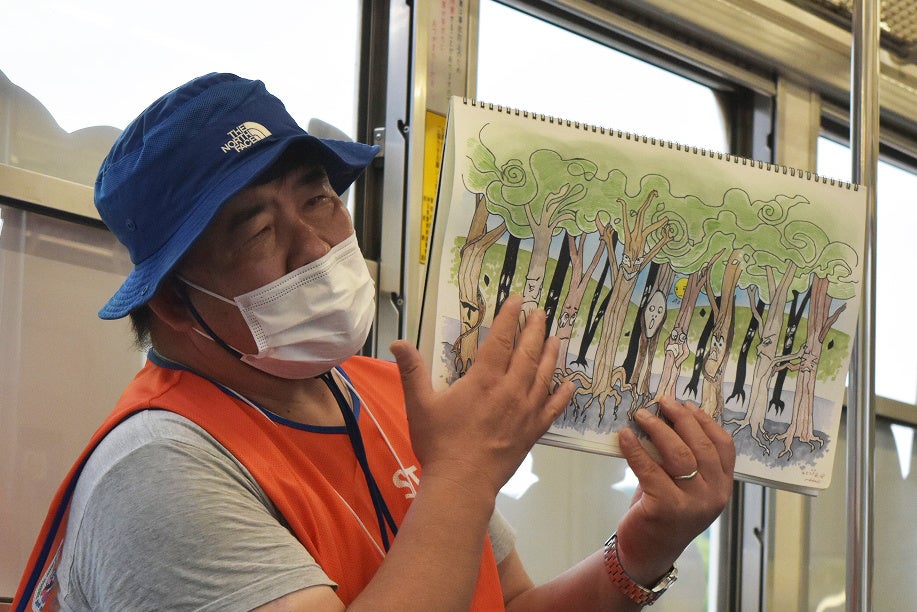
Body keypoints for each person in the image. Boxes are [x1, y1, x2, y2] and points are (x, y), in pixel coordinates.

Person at [14, 72, 735, 611]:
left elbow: (505, 603)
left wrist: (641, 549)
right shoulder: (157, 470)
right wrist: (463, 474)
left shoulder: (392, 397)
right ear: (174, 302)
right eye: (259, 231)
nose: (315, 246)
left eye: (319, 199)